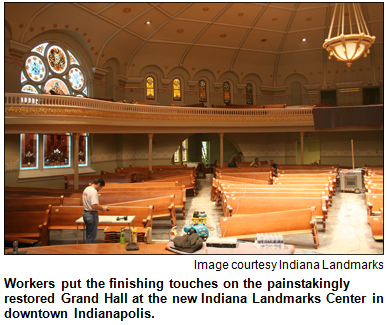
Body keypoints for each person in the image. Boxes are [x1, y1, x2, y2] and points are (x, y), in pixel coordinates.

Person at [82, 178, 109, 243]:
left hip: (85, 213)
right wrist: (102, 208)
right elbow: (94, 205)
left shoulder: (86, 189)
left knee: (88, 235)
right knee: (92, 236)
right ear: (98, 184)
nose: (100, 189)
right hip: (91, 214)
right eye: (101, 187)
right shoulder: (94, 191)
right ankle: (91, 252)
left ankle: (88, 249)